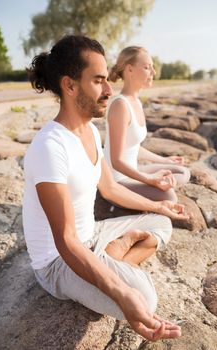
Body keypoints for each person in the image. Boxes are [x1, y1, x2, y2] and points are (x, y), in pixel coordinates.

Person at [23, 35, 188, 342]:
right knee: (144, 298)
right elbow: (65, 240)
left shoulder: (88, 131)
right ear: (70, 85)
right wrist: (120, 291)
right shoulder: (50, 146)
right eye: (98, 81)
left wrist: (158, 206)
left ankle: (112, 254)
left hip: (93, 235)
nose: (109, 90)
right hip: (58, 262)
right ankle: (113, 260)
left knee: (161, 222)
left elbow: (109, 188)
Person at [104, 46, 191, 203]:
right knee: (169, 196)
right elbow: (116, 161)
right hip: (118, 180)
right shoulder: (120, 106)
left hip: (133, 170)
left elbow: (132, 146)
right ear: (129, 69)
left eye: (152, 67)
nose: (153, 72)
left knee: (183, 172)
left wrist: (164, 160)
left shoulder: (136, 101)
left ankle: (153, 183)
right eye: (147, 67)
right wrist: (150, 180)